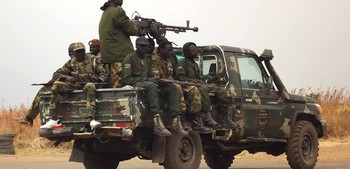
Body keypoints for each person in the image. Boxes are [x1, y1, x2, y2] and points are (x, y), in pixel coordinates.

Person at [122, 37, 187, 136]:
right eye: (141, 46)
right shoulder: (129, 59)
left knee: (173, 87)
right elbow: (127, 79)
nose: (143, 48)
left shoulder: (148, 59)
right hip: (135, 83)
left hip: (148, 83)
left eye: (146, 46)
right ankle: (157, 121)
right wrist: (148, 80)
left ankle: (176, 120)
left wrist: (158, 80)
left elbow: (150, 75)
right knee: (152, 85)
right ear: (136, 46)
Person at [40, 42, 108, 129]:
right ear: (74, 53)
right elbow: (56, 74)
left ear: (84, 51)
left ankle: (91, 119)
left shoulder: (93, 60)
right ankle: (53, 119)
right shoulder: (71, 62)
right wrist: (67, 77)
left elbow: (104, 75)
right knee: (56, 85)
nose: (80, 54)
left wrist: (98, 79)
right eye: (77, 52)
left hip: (89, 85)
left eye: (81, 51)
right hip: (75, 85)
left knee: (89, 86)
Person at [176, 42, 238, 129]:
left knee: (221, 90)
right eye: (193, 51)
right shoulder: (182, 64)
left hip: (199, 84)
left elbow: (200, 78)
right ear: (187, 53)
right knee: (203, 89)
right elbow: (181, 77)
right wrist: (195, 81)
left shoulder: (195, 65)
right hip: (189, 86)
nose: (196, 52)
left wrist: (209, 80)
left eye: (196, 50)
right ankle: (208, 117)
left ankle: (225, 116)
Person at [14, 43, 76, 127]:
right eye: (70, 52)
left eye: (73, 52)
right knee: (45, 89)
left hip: (80, 86)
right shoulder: (70, 63)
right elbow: (56, 74)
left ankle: (29, 118)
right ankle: (29, 118)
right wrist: (65, 77)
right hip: (67, 86)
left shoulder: (88, 59)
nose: (71, 54)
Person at [99, 0, 141, 88]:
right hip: (120, 57)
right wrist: (138, 27)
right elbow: (131, 30)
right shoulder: (117, 11)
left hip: (110, 57)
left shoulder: (106, 12)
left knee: (115, 88)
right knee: (125, 88)